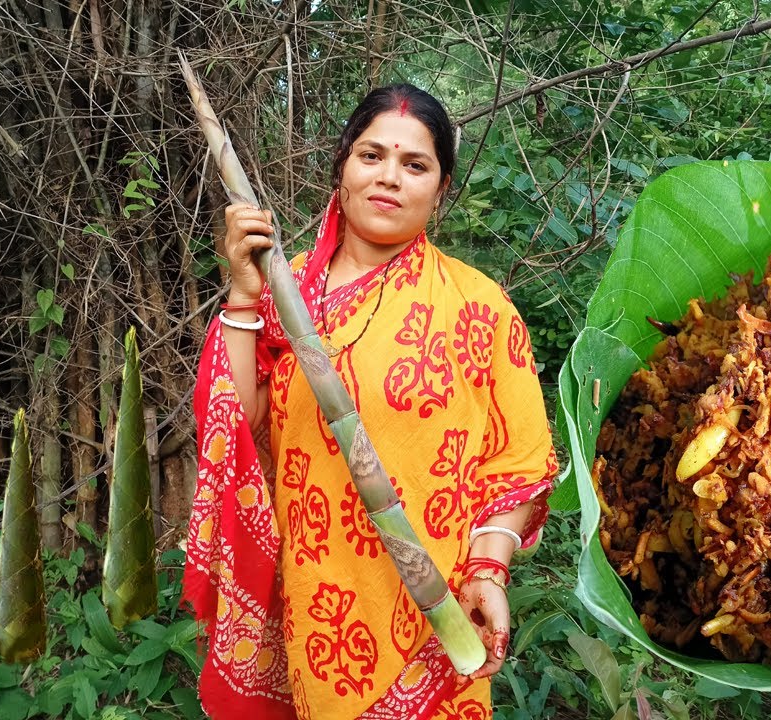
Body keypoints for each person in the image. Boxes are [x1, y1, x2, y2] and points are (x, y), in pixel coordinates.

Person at [183, 84, 558, 720]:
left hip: (436, 618)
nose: (389, 178)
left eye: (416, 165)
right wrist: (245, 297)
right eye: (371, 155)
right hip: (318, 603)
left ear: (440, 190)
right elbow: (239, 428)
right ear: (342, 166)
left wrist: (489, 573)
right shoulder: (285, 288)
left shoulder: (478, 308)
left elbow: (518, 465)